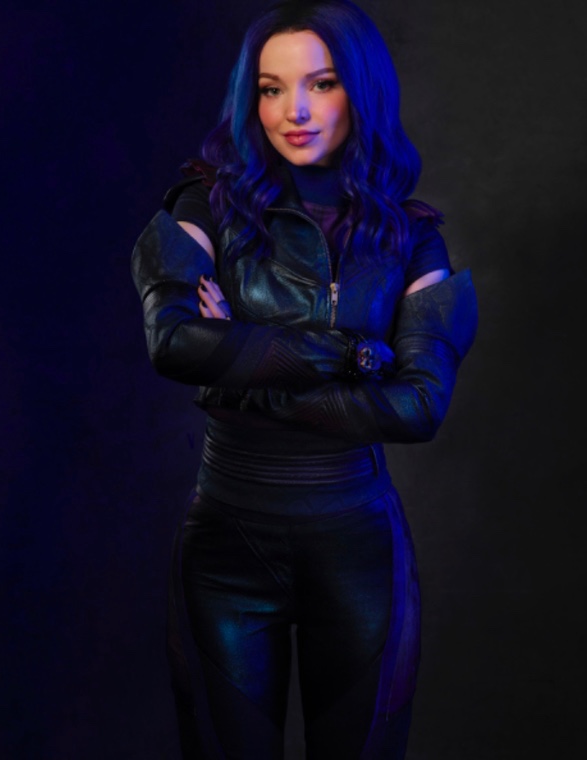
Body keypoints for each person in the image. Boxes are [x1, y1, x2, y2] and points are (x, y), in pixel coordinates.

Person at [131, 1, 477, 757]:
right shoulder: (204, 205)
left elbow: (419, 406)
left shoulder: (413, 238)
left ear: (361, 90)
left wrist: (236, 370)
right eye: (271, 88)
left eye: (321, 83)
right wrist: (354, 356)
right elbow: (174, 340)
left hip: (359, 555)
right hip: (224, 547)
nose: (294, 111)